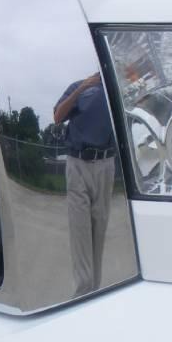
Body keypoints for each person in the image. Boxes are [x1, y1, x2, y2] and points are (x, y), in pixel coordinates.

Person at [54, 73, 116, 295]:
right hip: (78, 162)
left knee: (99, 231)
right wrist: (83, 88)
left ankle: (94, 293)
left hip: (106, 163)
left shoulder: (116, 87)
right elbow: (58, 116)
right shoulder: (77, 86)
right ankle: (81, 294)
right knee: (80, 231)